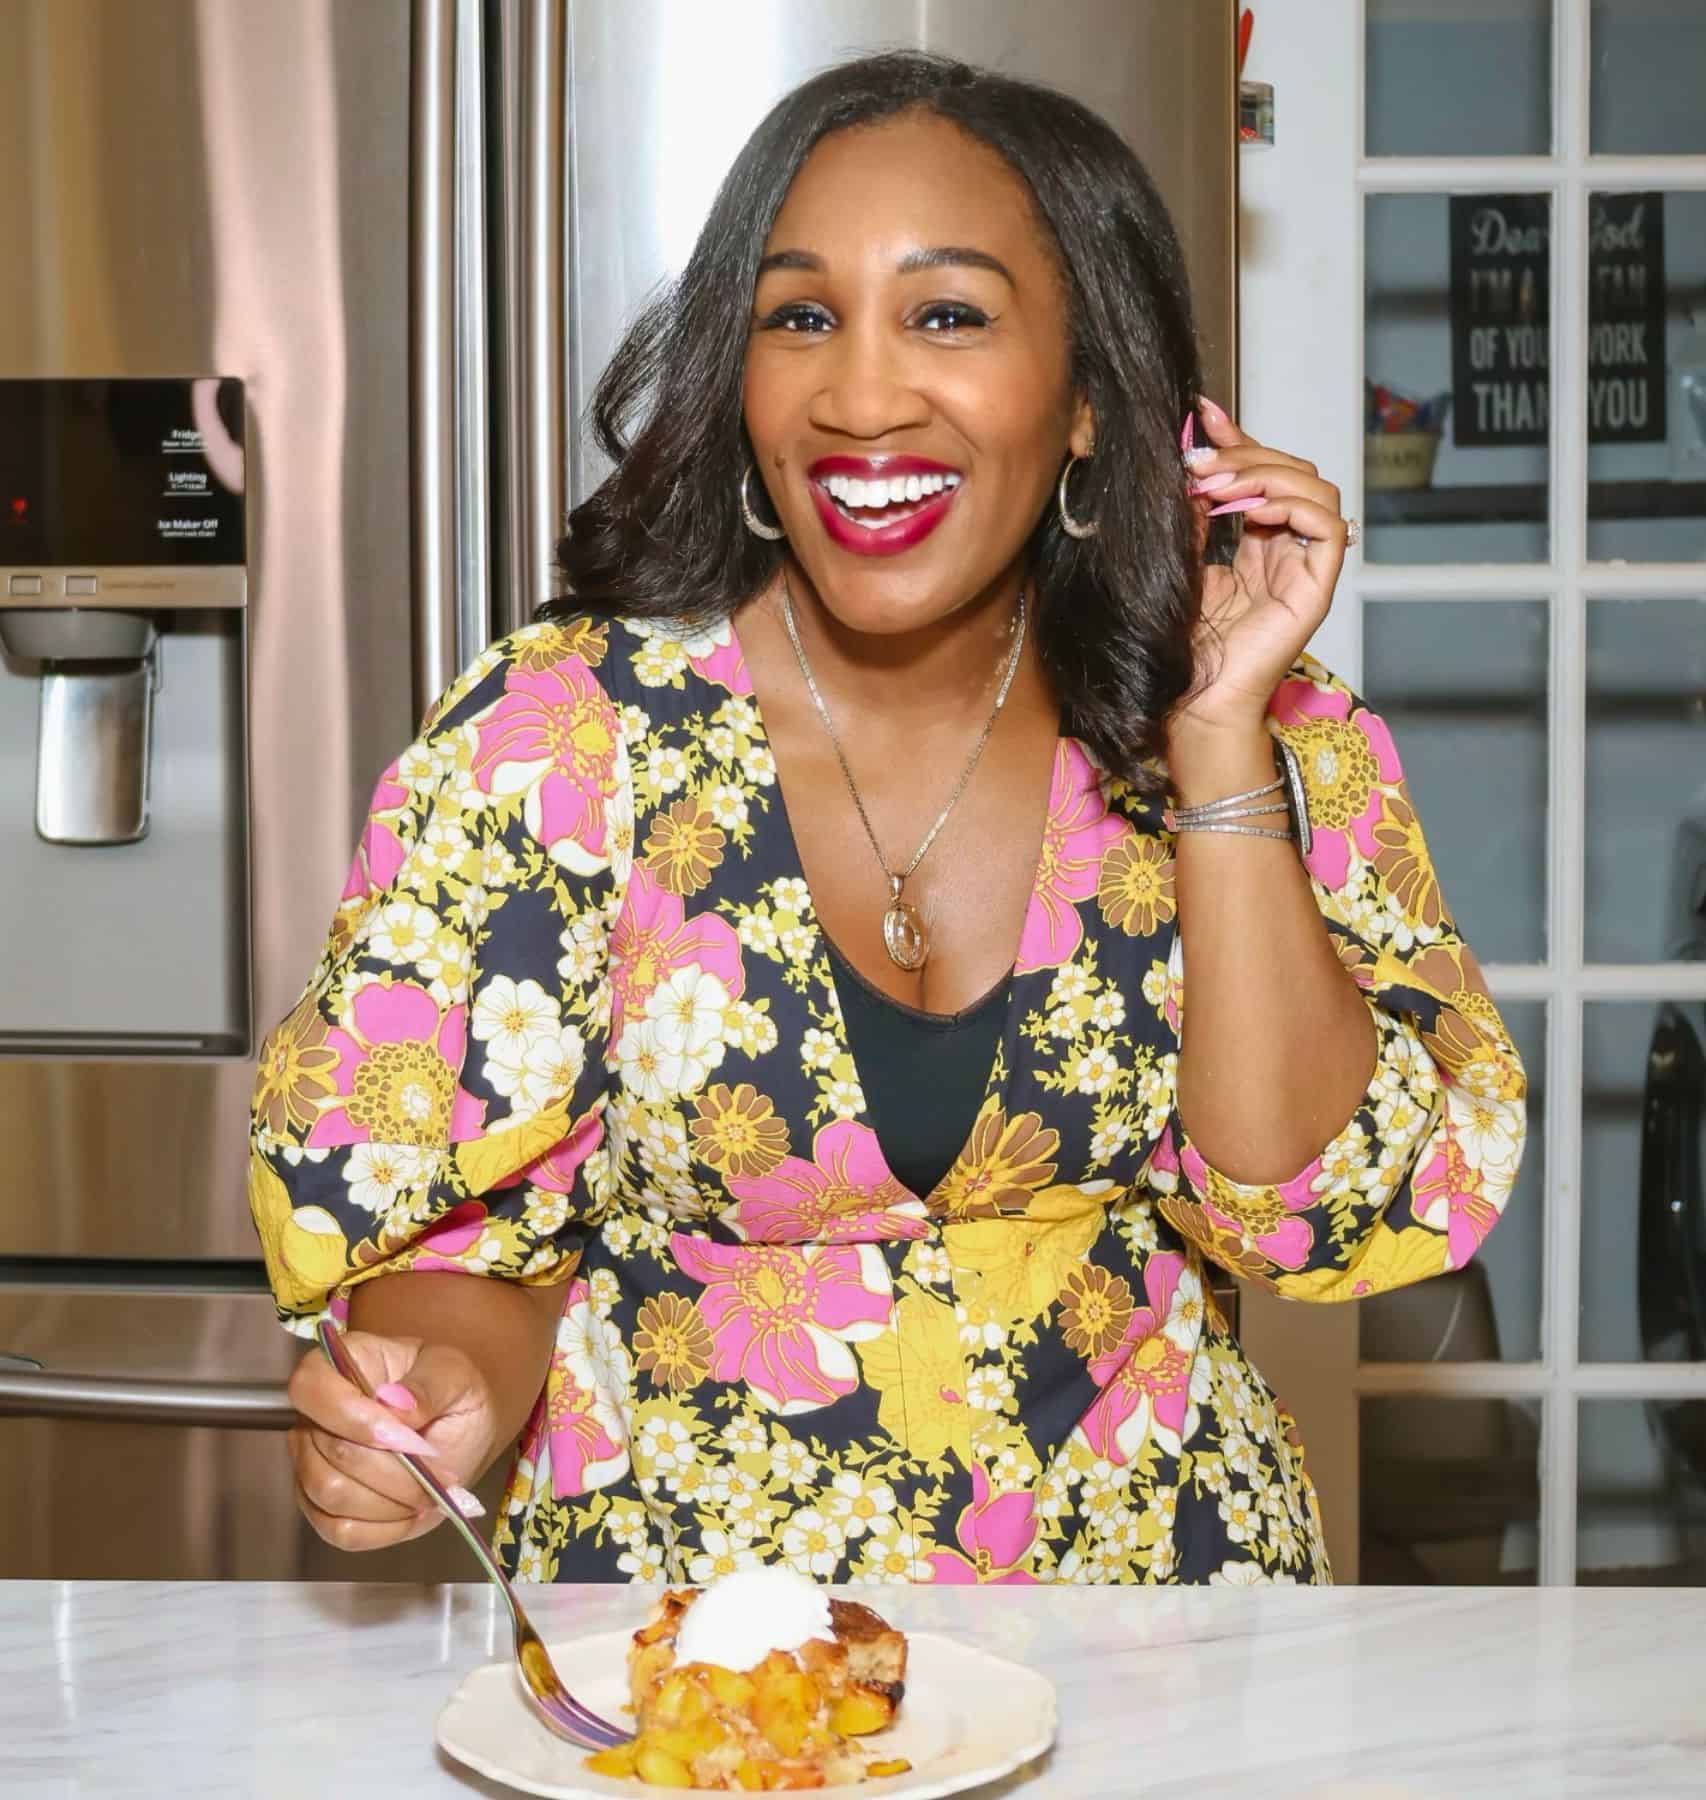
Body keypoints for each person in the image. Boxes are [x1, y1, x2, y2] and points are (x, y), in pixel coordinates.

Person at [250, 50, 1524, 1586]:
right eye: (800, 316)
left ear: (1084, 400)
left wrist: (1213, 737)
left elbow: (1301, 1208)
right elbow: (466, 1255)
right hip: (694, 1668)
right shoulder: (563, 742)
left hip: (1169, 1647)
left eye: (947, 314)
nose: (860, 394)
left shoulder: (1257, 725)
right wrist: (433, 1396)